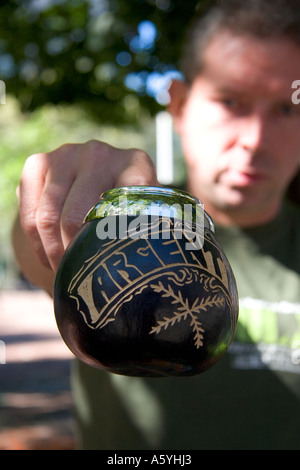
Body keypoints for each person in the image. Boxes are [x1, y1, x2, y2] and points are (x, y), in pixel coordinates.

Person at [12, 0, 300, 450]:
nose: (255, 139)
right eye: (231, 101)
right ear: (180, 105)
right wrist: (54, 197)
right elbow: (36, 250)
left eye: (286, 108)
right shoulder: (119, 224)